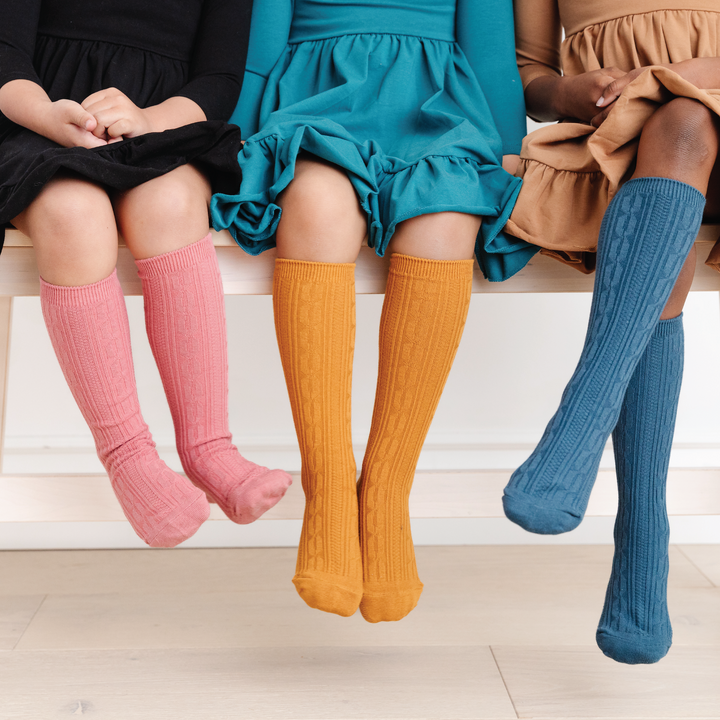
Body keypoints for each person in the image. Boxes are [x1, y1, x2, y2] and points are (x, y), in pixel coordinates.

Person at [212, 0, 531, 621]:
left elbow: (492, 51)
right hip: (316, 98)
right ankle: (328, 484)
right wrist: (237, 144)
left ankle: (386, 490)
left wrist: (509, 152)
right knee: (317, 206)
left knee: (446, 221)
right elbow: (260, 49)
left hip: (438, 108)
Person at [0, 0, 292, 548]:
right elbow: (5, 56)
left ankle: (208, 447)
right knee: (74, 215)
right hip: (35, 124)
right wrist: (46, 115)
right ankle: (128, 455)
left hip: (160, 127)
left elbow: (218, 79)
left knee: (172, 204)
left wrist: (149, 120)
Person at [502, 0, 720, 663]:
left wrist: (696, 73)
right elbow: (530, 71)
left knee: (683, 120)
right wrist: (574, 90)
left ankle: (581, 424)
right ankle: (644, 535)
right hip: (625, 137)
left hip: (694, 110)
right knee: (664, 207)